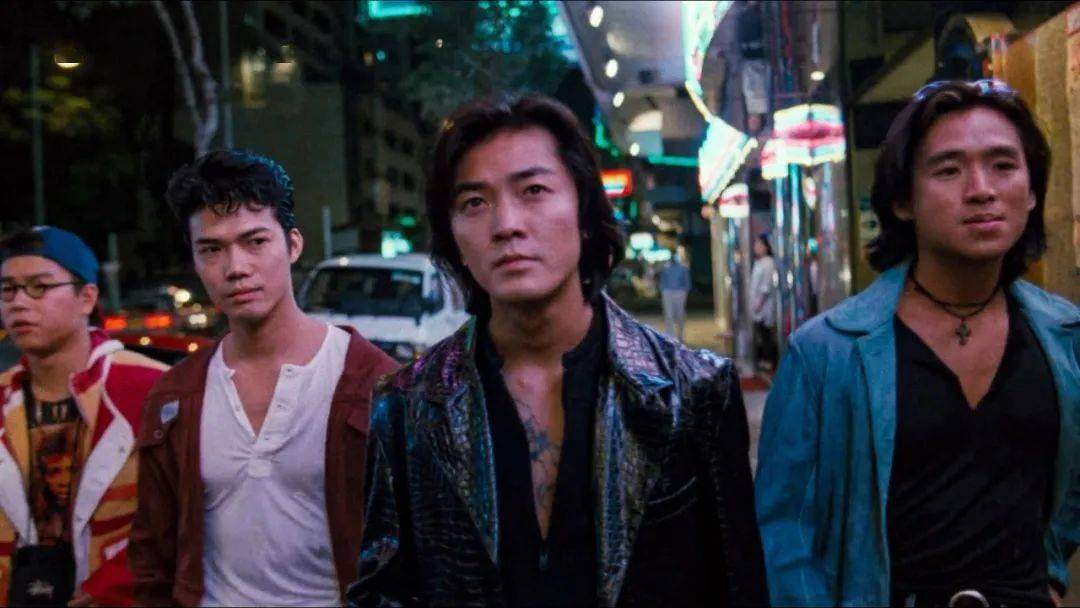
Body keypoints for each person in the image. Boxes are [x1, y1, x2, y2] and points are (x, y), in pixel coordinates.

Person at [349, 94, 768, 607]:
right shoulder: (408, 404)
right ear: (454, 236)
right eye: (474, 203)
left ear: (584, 211)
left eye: (534, 190)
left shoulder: (694, 391)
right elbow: (383, 593)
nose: (507, 224)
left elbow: (739, 584)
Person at [755, 79, 1080, 607]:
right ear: (903, 200)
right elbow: (784, 535)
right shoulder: (825, 354)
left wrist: (1050, 575)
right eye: (948, 170)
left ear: (1032, 190)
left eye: (1003, 165)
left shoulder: (1064, 337)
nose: (981, 189)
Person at [129, 151, 398, 606]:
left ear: (293, 245)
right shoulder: (176, 394)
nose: (235, 267)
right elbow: (152, 556)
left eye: (255, 241)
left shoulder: (374, 383)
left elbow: (413, 552)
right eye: (211, 249)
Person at [0, 226, 168, 606]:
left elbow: (194, 516)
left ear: (87, 298)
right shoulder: (3, 396)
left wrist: (114, 587)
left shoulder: (151, 388)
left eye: (39, 287)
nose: (19, 302)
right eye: (8, 289)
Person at [749, 233, 777, 372]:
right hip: (757, 304)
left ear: (766, 247)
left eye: (759, 245)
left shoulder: (768, 263)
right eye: (755, 244)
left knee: (766, 333)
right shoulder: (758, 262)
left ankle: (769, 360)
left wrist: (760, 303)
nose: (756, 247)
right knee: (761, 332)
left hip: (764, 305)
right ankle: (763, 359)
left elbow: (766, 286)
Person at [657, 252, 691, 341]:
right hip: (669, 291)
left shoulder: (682, 268)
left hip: (678, 292)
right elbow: (662, 280)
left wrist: (685, 291)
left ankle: (680, 335)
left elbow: (687, 281)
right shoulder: (666, 268)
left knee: (679, 313)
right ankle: (671, 335)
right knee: (669, 314)